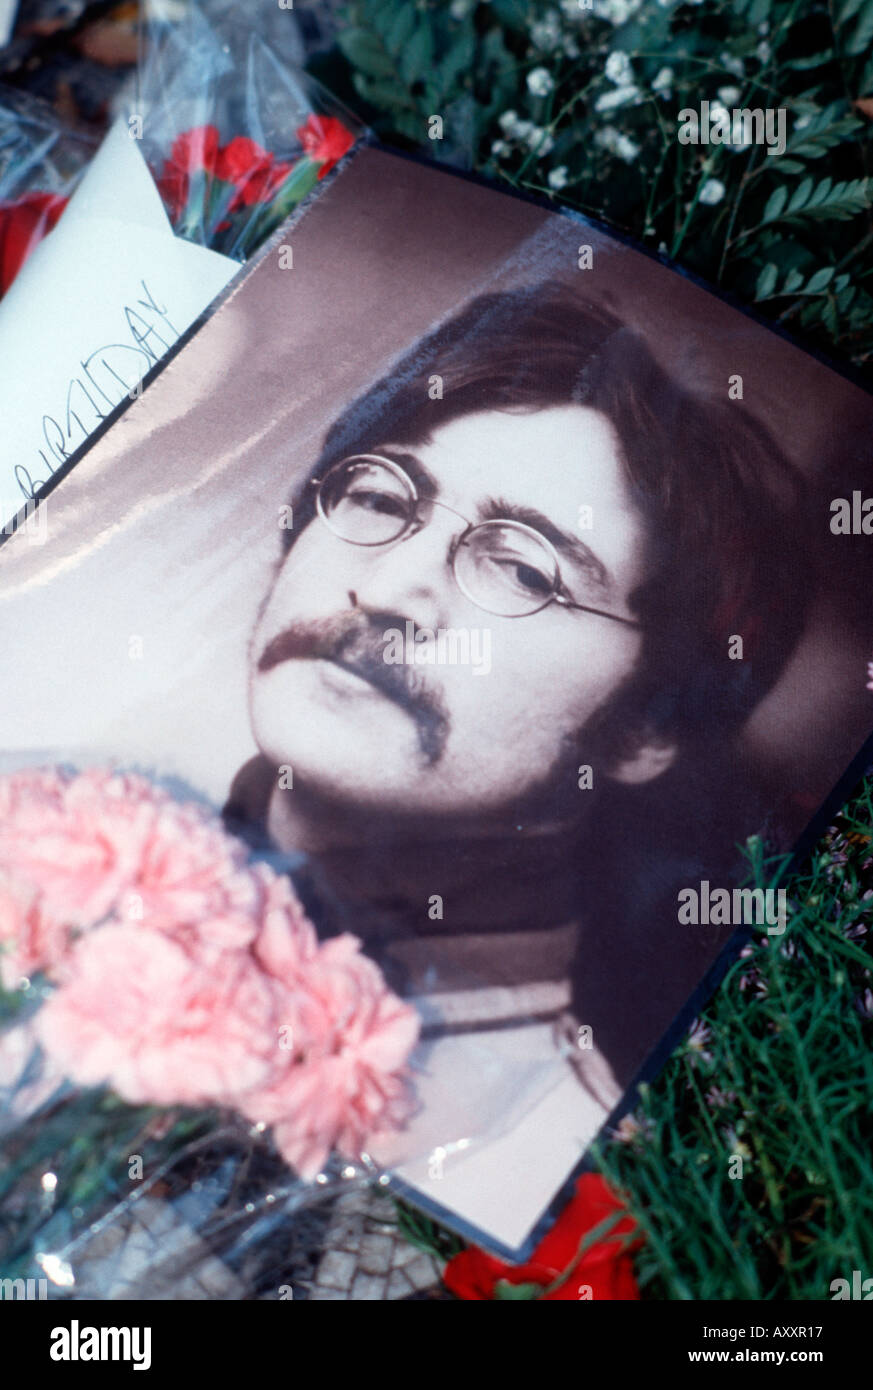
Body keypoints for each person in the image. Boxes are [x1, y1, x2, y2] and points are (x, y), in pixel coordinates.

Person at [223, 280, 809, 1245]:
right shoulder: (53, 869)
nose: (393, 587)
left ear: (641, 730)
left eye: (524, 571)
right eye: (379, 495)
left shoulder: (542, 1172)